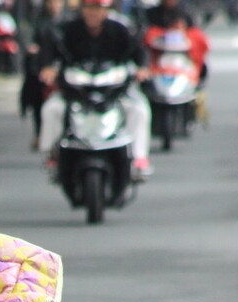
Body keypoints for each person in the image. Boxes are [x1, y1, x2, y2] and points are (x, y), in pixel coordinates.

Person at [37, 0, 154, 180]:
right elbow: (52, 53)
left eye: (98, 8)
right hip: (76, 91)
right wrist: (49, 67)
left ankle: (138, 158)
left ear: (106, 10)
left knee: (139, 109)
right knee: (51, 109)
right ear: (82, 10)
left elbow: (139, 52)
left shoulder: (121, 29)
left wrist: (142, 68)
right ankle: (52, 155)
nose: (93, 13)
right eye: (89, 8)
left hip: (114, 91)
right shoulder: (68, 30)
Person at [20, 0, 67, 150]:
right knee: (38, 100)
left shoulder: (68, 21)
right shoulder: (38, 20)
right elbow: (30, 37)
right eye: (51, 3)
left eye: (57, 3)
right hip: (41, 67)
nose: (54, 6)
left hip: (62, 67)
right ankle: (40, 133)